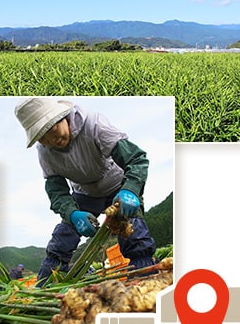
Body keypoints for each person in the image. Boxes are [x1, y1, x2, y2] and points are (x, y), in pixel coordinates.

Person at [13, 98, 157, 286]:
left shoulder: (94, 125)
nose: (51, 140)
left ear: (61, 117)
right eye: (42, 137)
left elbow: (136, 159)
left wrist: (131, 189)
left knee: (134, 233)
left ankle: (144, 281)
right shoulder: (45, 151)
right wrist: (72, 214)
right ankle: (46, 284)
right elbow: (56, 190)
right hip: (85, 193)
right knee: (62, 239)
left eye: (51, 130)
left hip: (117, 186)